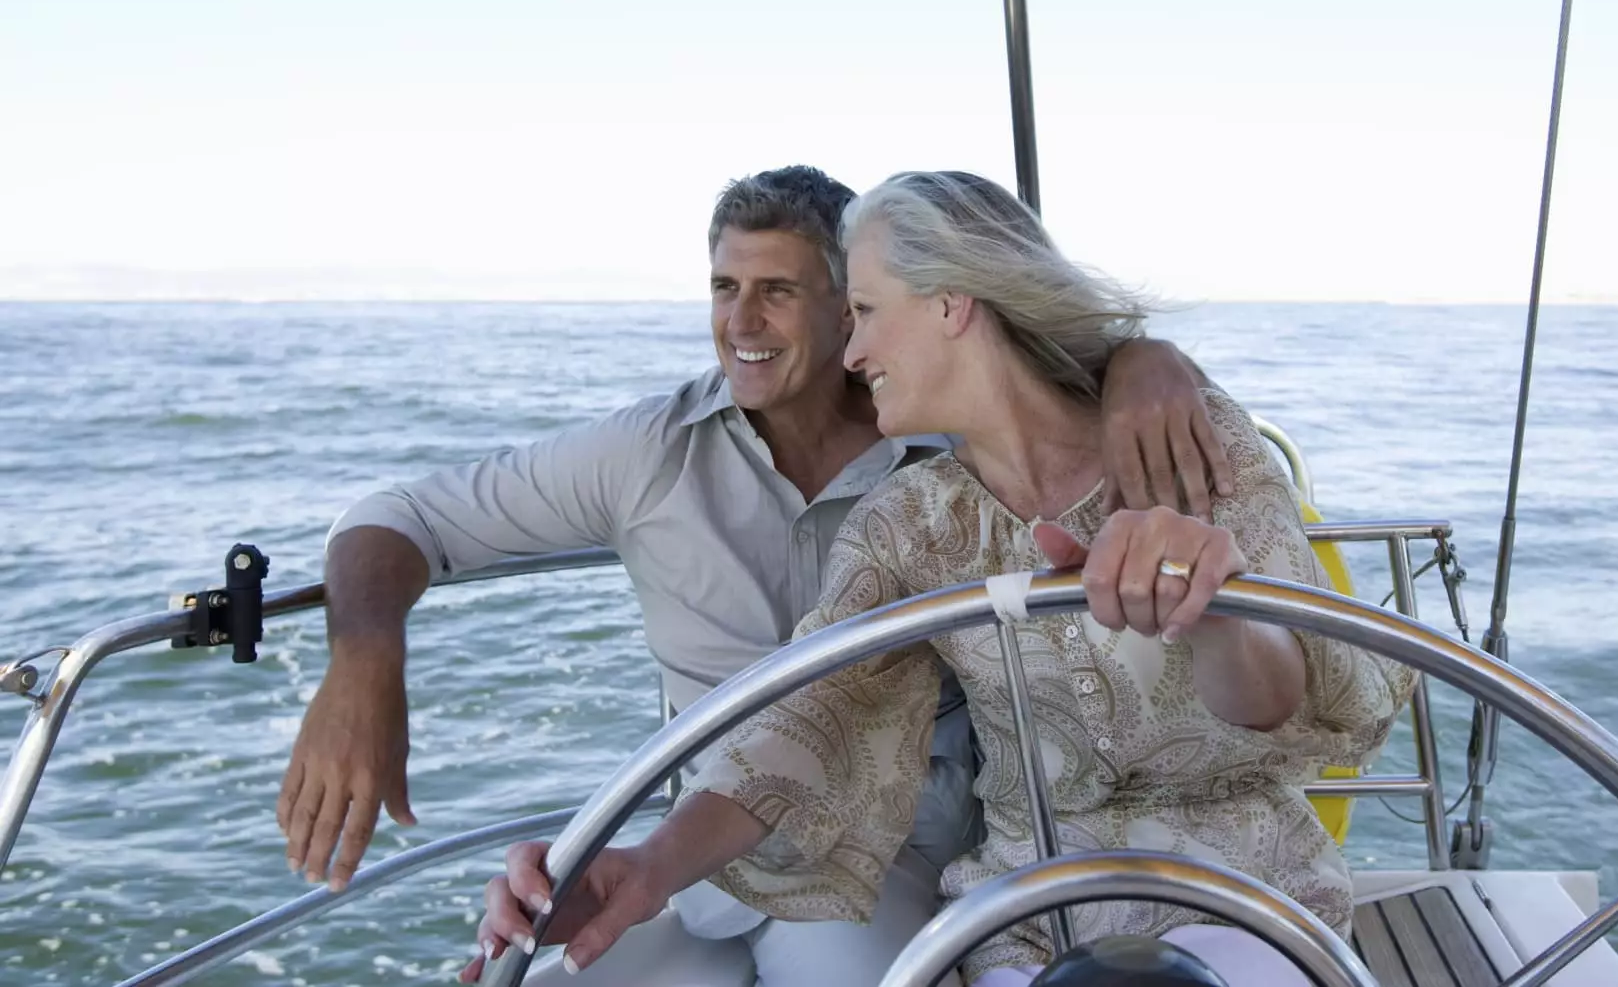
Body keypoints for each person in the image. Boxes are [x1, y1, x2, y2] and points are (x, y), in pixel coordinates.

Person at [281, 165, 1228, 986]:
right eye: (724, 286)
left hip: (883, 861)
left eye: (777, 290)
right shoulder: (647, 454)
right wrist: (363, 667)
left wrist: (1145, 361)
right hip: (695, 862)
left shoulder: (946, 451)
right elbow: (400, 516)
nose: (740, 321)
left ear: (850, 304)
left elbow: (1043, 380)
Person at [463, 171, 1415, 985]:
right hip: (1030, 908)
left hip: (1243, 888)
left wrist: (1214, 614)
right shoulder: (908, 523)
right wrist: (645, 867)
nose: (852, 352)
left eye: (868, 312)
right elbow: (805, 726)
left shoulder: (1187, 436)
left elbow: (1279, 699)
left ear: (953, 303)